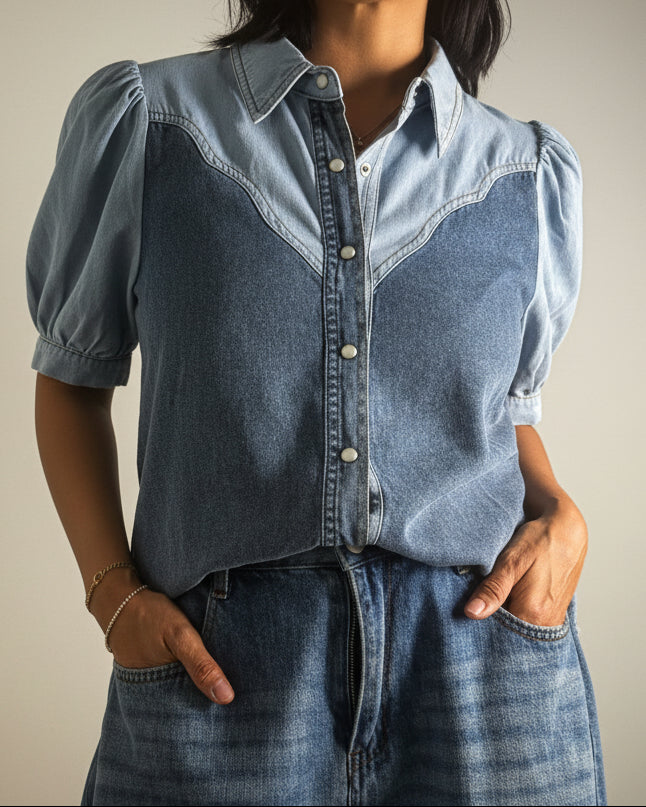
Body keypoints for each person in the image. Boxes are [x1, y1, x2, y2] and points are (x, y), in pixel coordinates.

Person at [25, 0, 606, 804]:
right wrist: (112, 595)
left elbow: (504, 409)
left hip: (481, 663)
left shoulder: (524, 171)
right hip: (223, 673)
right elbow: (71, 378)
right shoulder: (153, 122)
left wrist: (561, 512)